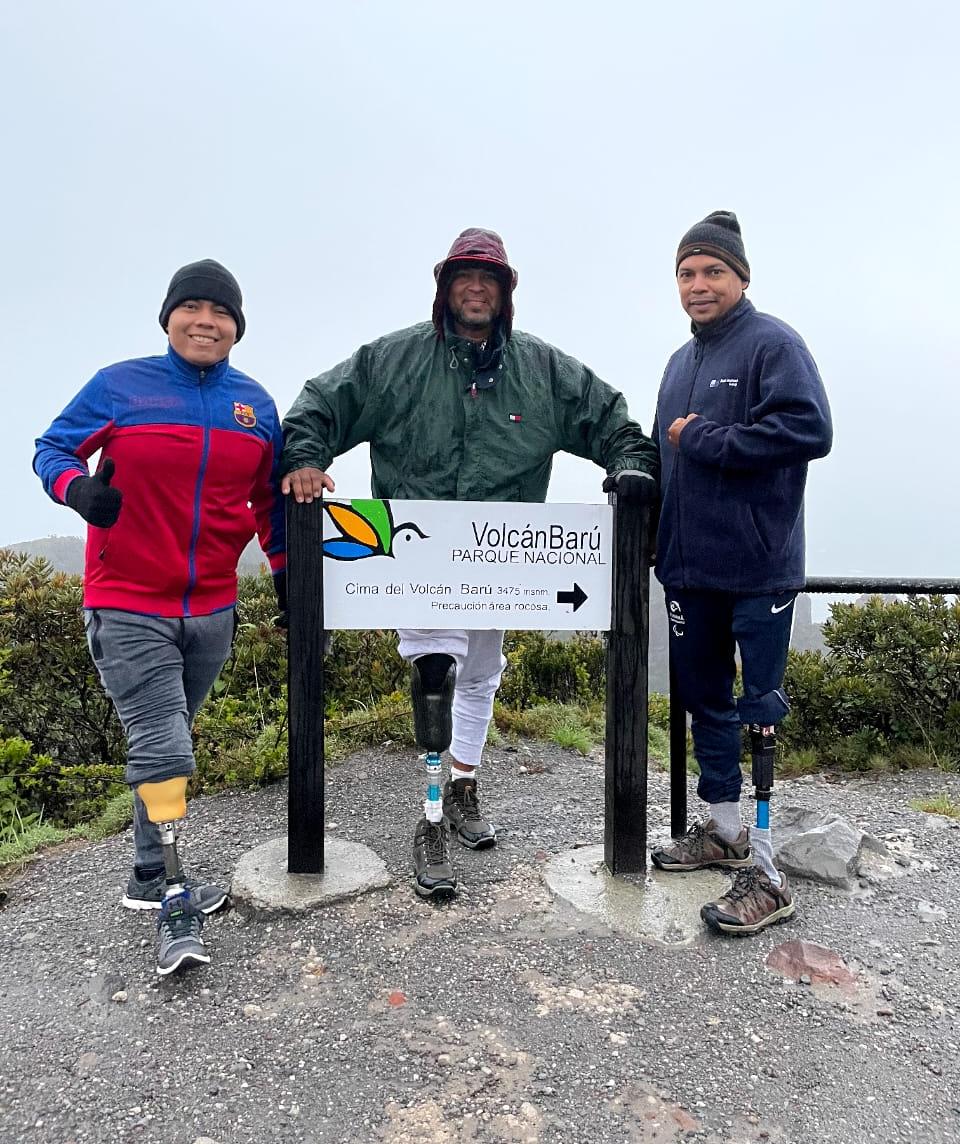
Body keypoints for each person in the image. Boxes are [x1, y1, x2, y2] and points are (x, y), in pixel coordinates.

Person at [281, 227, 658, 898]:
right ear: (444, 286)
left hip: (502, 559)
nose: (476, 287)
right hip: (417, 550)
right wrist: (306, 456)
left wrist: (630, 470)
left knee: (482, 672)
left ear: (506, 291)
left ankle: (462, 785)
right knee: (435, 669)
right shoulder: (394, 361)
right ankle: (427, 820)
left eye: (490, 278)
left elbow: (614, 424)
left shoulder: (542, 370)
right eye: (463, 276)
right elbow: (320, 403)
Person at [33, 259, 287, 973]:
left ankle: (145, 873)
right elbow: (51, 448)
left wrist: (288, 579)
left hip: (212, 606)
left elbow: (268, 502)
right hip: (127, 601)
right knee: (166, 749)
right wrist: (77, 489)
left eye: (221, 312)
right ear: (169, 316)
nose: (206, 321)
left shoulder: (254, 404)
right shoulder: (122, 384)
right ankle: (173, 886)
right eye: (193, 307)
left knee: (165, 744)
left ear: (238, 327)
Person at [649, 211, 832, 934]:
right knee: (704, 698)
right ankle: (722, 828)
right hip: (691, 568)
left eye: (712, 271)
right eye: (687, 274)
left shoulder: (773, 343)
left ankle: (770, 874)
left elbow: (811, 428)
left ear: (741, 276)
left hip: (758, 566)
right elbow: (669, 458)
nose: (698, 285)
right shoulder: (677, 363)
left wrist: (709, 438)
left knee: (758, 706)